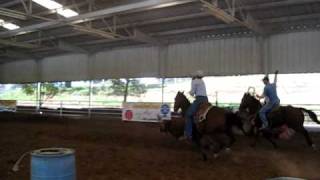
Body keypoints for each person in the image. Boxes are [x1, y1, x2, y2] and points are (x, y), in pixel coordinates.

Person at [180, 70, 208, 140]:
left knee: (188, 114)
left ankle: (188, 134)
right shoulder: (202, 81)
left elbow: (192, 92)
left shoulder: (194, 81)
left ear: (195, 76)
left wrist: (188, 93)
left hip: (199, 99)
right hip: (206, 99)